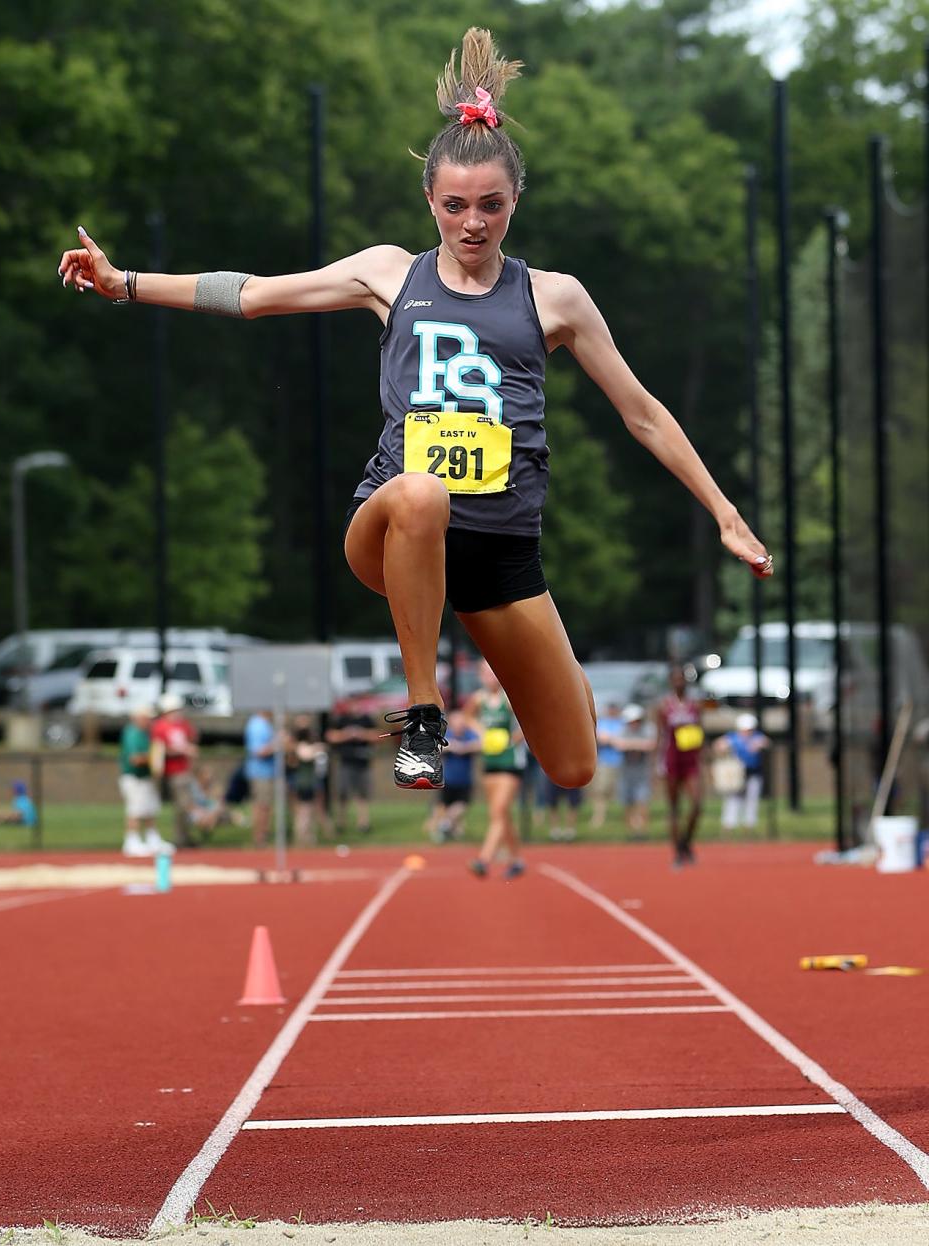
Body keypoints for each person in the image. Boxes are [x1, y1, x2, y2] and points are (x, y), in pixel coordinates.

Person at [58, 27, 772, 797]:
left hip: (500, 553)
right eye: (456, 206)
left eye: (492, 207)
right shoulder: (388, 274)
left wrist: (724, 512)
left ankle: (551, 677)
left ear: (515, 203)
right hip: (395, 523)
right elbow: (255, 295)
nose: (473, 224)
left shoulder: (554, 298)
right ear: (429, 200)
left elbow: (644, 413)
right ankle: (423, 713)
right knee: (423, 491)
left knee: (573, 765)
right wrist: (123, 281)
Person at [467, 661, 526, 879]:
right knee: (501, 814)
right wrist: (482, 733)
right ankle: (517, 860)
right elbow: (467, 717)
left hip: (510, 762)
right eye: (485, 671)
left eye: (493, 671)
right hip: (490, 762)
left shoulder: (508, 699)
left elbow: (528, 719)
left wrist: (514, 739)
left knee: (499, 811)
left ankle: (483, 859)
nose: (489, 676)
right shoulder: (479, 699)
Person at [658, 666, 705, 867]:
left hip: (691, 759)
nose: (679, 682)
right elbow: (660, 735)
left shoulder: (695, 704)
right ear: (670, 682)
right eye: (675, 679)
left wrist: (705, 758)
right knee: (674, 807)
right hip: (671, 759)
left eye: (682, 679)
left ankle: (686, 842)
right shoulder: (664, 705)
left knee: (696, 804)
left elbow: (700, 731)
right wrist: (657, 763)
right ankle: (678, 851)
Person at [118, 704, 171, 857]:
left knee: (150, 809)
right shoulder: (133, 733)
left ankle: (152, 839)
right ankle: (131, 841)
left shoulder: (145, 733)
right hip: (135, 778)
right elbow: (135, 759)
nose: (150, 721)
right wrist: (154, 757)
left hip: (145, 777)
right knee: (135, 810)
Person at [149, 692, 199, 848]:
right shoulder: (160, 727)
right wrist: (182, 750)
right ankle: (181, 838)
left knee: (186, 805)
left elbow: (192, 737)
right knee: (182, 805)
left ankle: (184, 836)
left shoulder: (182, 724)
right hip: (172, 771)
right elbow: (160, 750)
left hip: (185, 769)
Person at [430, 707, 481, 842]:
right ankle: (442, 830)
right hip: (448, 779)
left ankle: (445, 825)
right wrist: (451, 746)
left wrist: (465, 748)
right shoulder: (447, 735)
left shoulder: (469, 735)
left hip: (464, 780)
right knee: (442, 806)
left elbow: (480, 744)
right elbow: (436, 747)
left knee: (462, 806)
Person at [325, 708, 377, 836]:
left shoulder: (367, 719)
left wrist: (361, 734)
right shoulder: (342, 719)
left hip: (363, 763)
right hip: (346, 762)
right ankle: (341, 822)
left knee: (363, 794)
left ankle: (363, 823)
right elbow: (330, 736)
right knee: (343, 793)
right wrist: (347, 734)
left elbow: (378, 735)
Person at [715, 712, 769, 833]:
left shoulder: (757, 737)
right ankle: (729, 823)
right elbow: (719, 744)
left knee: (752, 798)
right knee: (733, 799)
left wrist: (759, 745)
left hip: (754, 772)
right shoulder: (733, 738)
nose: (747, 732)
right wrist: (723, 747)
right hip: (737, 774)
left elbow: (765, 742)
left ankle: (749, 824)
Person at [614, 704, 657, 839]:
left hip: (642, 772)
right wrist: (638, 744)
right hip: (626, 772)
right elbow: (618, 745)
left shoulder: (648, 728)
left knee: (642, 800)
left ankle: (643, 831)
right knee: (627, 802)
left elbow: (650, 745)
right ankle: (631, 832)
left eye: (636, 721)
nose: (634, 724)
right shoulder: (622, 729)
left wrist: (630, 744)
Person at [289, 715, 331, 846]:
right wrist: (317, 749)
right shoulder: (300, 746)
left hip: (310, 782)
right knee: (304, 810)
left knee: (310, 810)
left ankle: (309, 836)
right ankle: (301, 836)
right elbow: (305, 755)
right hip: (303, 782)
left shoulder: (309, 745)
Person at [244, 709, 280, 849]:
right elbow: (258, 751)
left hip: (267, 772)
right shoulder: (257, 725)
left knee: (265, 806)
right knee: (261, 806)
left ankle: (263, 837)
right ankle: (259, 839)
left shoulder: (266, 724)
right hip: (260, 773)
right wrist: (277, 744)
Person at [590, 701, 624, 830]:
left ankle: (622, 819)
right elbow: (599, 738)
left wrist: (612, 740)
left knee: (620, 793)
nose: (612, 711)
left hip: (621, 762)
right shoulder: (602, 723)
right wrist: (614, 740)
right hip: (605, 762)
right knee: (601, 791)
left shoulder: (622, 723)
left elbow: (623, 740)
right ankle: (598, 818)